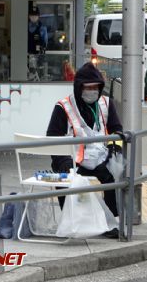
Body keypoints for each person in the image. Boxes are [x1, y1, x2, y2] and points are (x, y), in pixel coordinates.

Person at [46, 62, 122, 238]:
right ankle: (70, 221)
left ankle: (111, 223)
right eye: (88, 88)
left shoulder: (106, 103)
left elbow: (117, 129)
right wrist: (63, 161)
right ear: (79, 88)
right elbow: (53, 137)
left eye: (96, 87)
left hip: (100, 156)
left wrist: (113, 148)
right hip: (74, 158)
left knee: (114, 174)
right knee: (63, 178)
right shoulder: (63, 107)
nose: (92, 91)